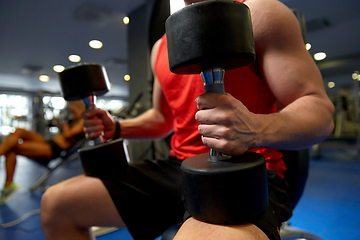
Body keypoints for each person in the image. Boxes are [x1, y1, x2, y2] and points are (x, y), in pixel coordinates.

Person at [40, 0, 334, 239]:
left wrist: (255, 128)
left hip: (249, 172)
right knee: (57, 204)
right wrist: (116, 127)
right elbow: (161, 120)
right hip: (178, 167)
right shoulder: (161, 47)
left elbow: (320, 112)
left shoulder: (260, 14)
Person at [0, 100, 85, 204]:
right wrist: (60, 124)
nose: (72, 114)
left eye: (74, 111)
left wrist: (65, 122)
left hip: (53, 150)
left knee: (12, 148)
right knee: (19, 131)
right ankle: (8, 185)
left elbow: (67, 135)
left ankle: (8, 185)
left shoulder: (83, 122)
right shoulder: (75, 121)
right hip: (50, 142)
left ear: (82, 110)